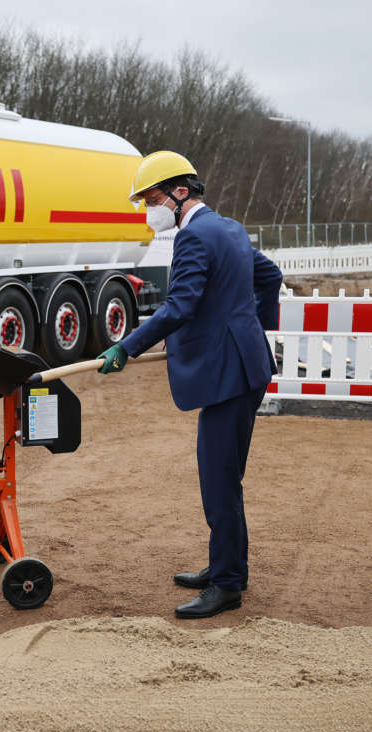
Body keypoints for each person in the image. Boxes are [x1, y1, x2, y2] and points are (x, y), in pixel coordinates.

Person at [98, 151, 283, 619]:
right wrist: (252, 330)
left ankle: (226, 585)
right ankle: (226, 567)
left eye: (153, 198)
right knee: (225, 477)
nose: (149, 209)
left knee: (218, 479)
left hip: (230, 376)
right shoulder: (229, 228)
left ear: (181, 192)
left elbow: (179, 307)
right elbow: (271, 277)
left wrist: (127, 346)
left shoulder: (194, 237)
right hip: (245, 368)